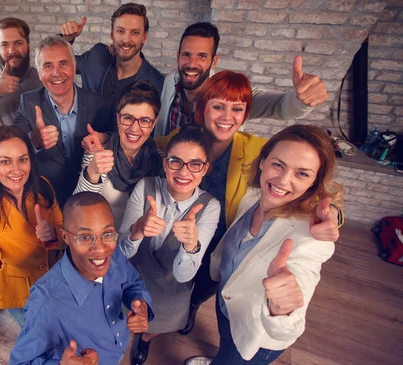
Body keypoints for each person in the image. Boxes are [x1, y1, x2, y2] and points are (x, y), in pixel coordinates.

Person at [161, 71, 342, 336]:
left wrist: (335, 215)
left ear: (246, 114)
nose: (226, 117)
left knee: (203, 285)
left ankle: (193, 307)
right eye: (218, 107)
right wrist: (109, 140)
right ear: (203, 109)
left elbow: (304, 183)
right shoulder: (183, 138)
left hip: (221, 243)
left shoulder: (258, 148)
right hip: (181, 235)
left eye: (237, 109)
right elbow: (147, 145)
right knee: (172, 283)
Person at [185, 124, 342, 365]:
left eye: (302, 173)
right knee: (226, 343)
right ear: (263, 162)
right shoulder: (251, 196)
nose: (283, 180)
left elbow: (286, 329)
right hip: (228, 305)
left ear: (313, 182)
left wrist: (284, 310)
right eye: (278, 165)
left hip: (257, 334)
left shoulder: (311, 238)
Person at [9, 192, 154, 364]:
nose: (100, 249)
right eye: (85, 237)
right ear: (65, 237)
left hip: (117, 351)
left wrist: (140, 302)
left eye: (107, 233)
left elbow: (132, 283)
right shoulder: (45, 304)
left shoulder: (114, 254)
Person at [119, 127, 221, 365]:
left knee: (155, 325)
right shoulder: (145, 187)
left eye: (195, 164)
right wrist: (137, 230)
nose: (184, 172)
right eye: (176, 162)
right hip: (132, 281)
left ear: (205, 168)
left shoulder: (211, 206)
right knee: (124, 317)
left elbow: (184, 274)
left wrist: (190, 245)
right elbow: (123, 253)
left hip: (170, 292)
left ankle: (145, 338)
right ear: (165, 164)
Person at [154, 22, 329, 137]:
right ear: (178, 57)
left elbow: (280, 107)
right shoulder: (170, 82)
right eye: (186, 55)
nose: (192, 64)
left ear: (214, 60)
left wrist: (301, 101)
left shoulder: (232, 93)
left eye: (201, 56)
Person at [0, 126, 65, 326]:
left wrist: (54, 234)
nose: (17, 169)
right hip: (22, 298)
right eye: (5, 161)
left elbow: (65, 236)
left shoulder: (43, 186)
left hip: (56, 281)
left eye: (23, 159)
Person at [13, 36, 111, 206]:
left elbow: (115, 135)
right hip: (44, 199)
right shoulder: (28, 102)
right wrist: (34, 140)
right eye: (48, 66)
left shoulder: (99, 104)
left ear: (74, 67)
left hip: (89, 195)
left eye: (63, 64)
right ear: (39, 72)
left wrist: (104, 138)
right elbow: (12, 145)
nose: (56, 73)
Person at [74, 80, 163, 224]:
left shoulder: (159, 159)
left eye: (145, 120)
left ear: (153, 124)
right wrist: (92, 172)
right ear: (118, 118)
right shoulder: (98, 151)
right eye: (128, 118)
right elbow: (77, 210)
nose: (134, 128)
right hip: (103, 241)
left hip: (139, 243)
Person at [60, 3, 164, 116]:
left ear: (144, 37)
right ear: (111, 34)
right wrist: (67, 40)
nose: (126, 40)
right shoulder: (97, 56)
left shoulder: (156, 83)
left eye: (135, 32)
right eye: (120, 31)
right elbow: (62, 64)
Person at [0, 18, 42, 125]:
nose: (11, 51)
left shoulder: (41, 78)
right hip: (2, 140)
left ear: (28, 46)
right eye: (5, 45)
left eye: (18, 43)